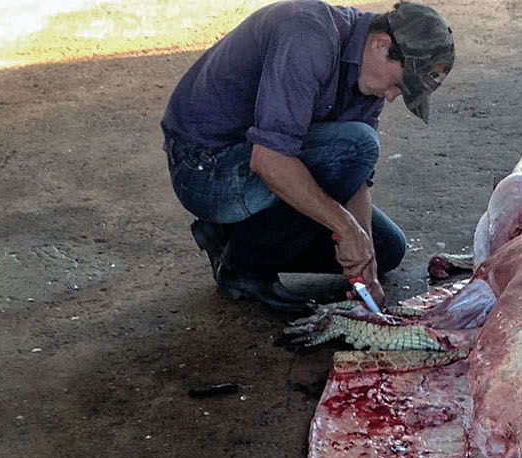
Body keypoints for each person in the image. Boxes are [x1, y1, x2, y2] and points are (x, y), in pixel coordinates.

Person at [161, 2, 454, 313]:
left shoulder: (368, 73)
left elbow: (356, 178)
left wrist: (363, 255)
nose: (393, 96)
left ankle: (235, 234)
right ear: (382, 43)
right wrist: (345, 228)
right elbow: (269, 159)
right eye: (398, 84)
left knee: (386, 249)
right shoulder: (310, 36)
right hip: (204, 168)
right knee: (358, 146)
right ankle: (242, 268)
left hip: (251, 164)